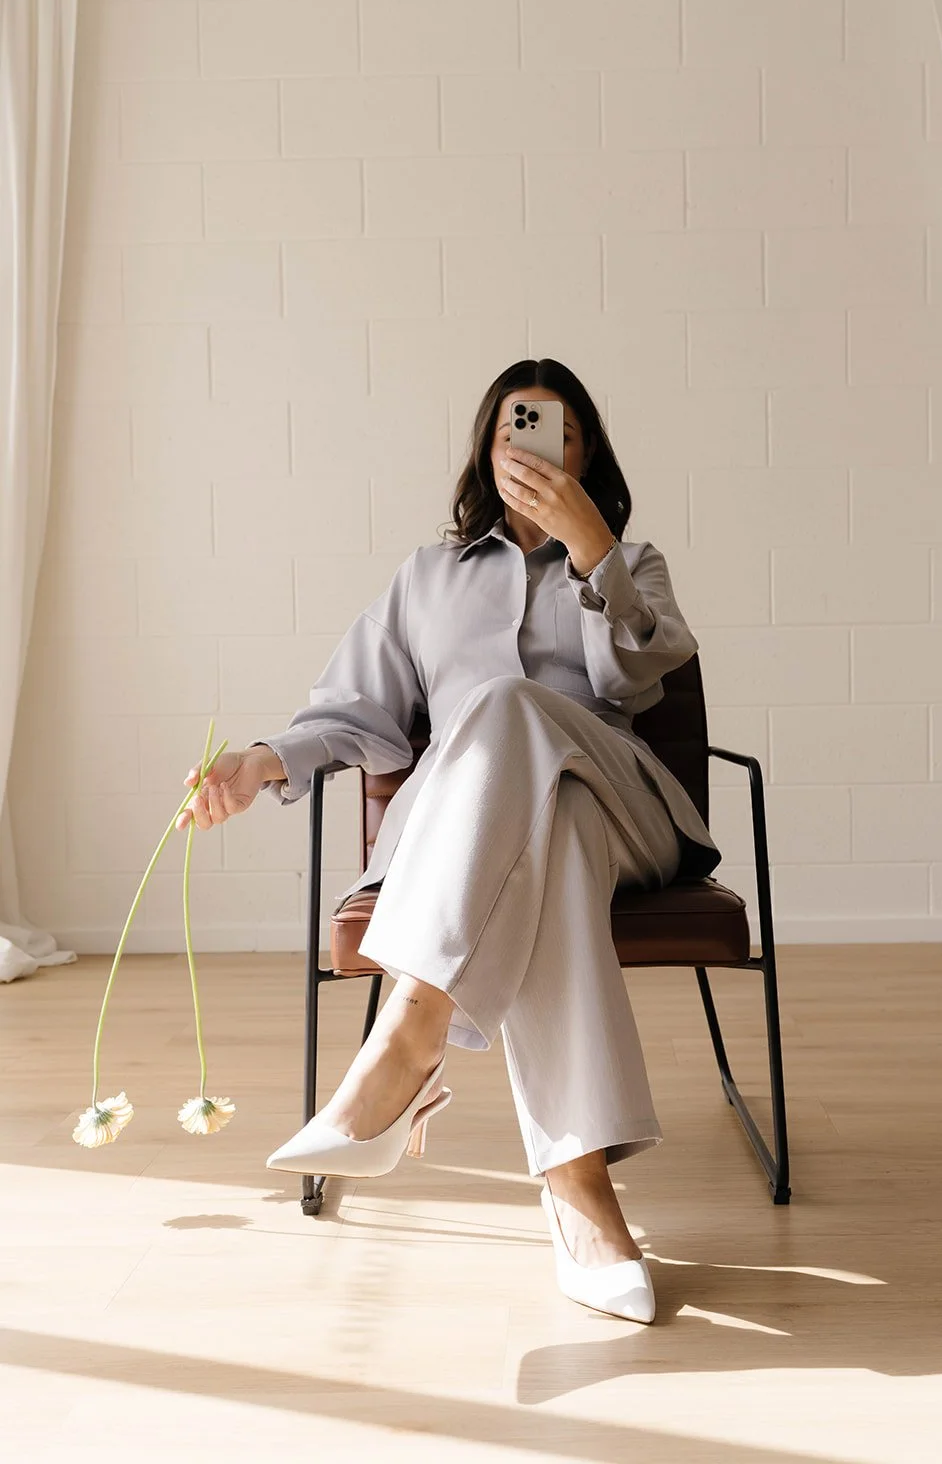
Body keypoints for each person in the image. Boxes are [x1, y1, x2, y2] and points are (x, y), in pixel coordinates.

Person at [177, 357, 721, 1325]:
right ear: (485, 447)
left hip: (627, 809)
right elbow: (353, 715)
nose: (530, 447)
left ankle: (410, 1030)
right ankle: (578, 1188)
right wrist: (261, 760)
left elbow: (639, 680)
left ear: (582, 448)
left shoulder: (632, 566)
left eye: (552, 430)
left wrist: (590, 549)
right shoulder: (425, 579)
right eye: (514, 428)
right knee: (546, 842)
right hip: (520, 845)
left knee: (516, 705)